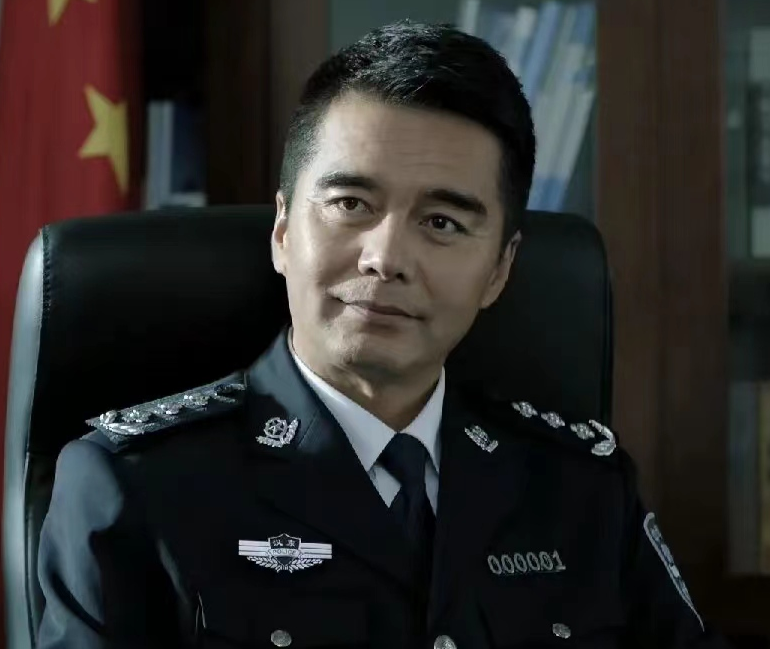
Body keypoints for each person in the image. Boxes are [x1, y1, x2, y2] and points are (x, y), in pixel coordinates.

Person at [37, 20, 729, 649]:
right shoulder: (137, 488)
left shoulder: (583, 492)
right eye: (351, 203)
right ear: (283, 231)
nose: (386, 257)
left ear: (499, 270)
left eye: (442, 223)